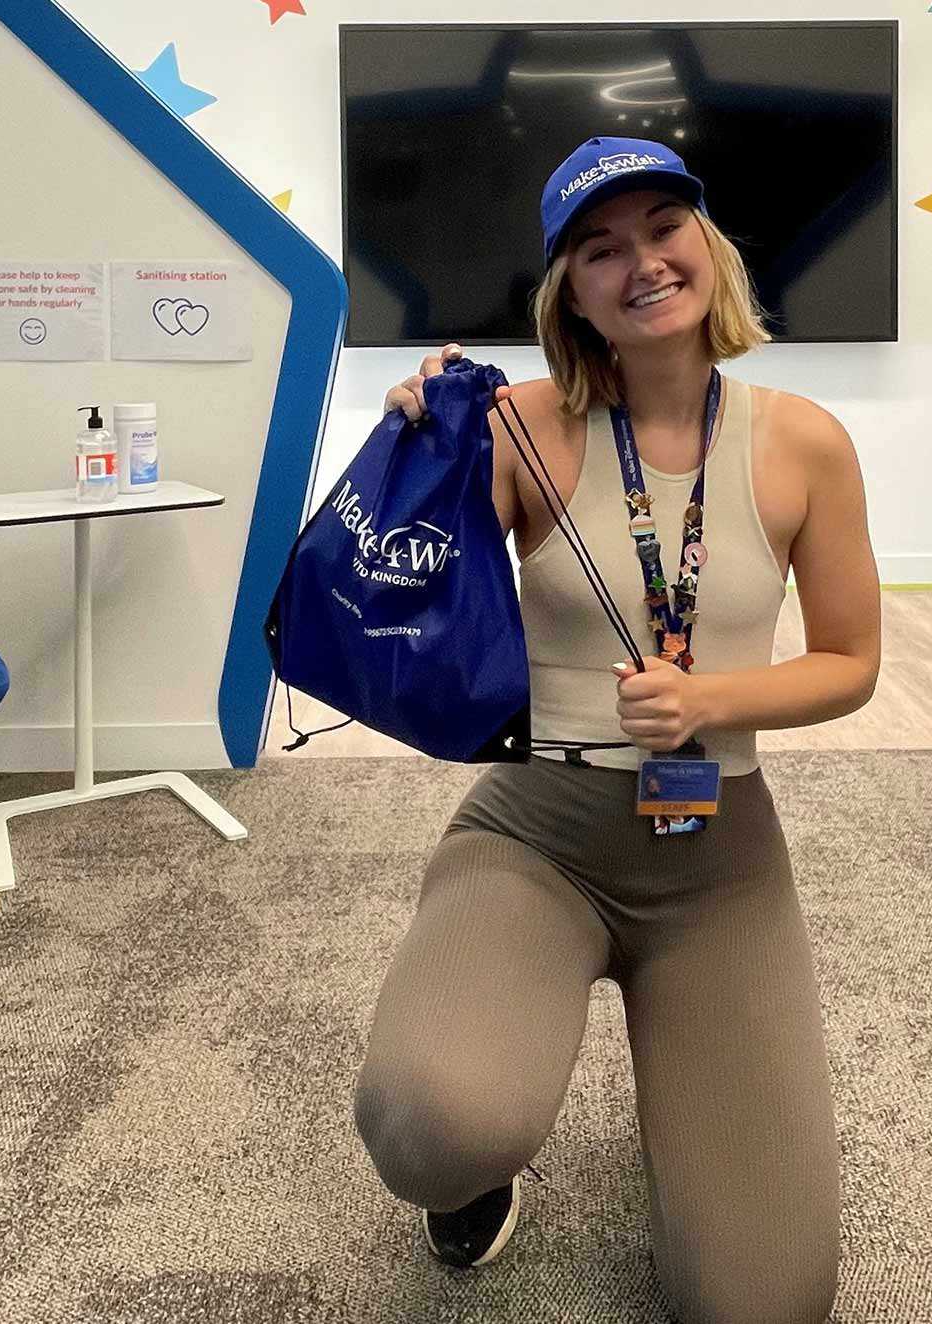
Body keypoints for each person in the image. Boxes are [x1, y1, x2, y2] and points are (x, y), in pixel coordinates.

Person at [352, 136, 881, 1324]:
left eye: (661, 228)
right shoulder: (520, 425)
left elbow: (851, 664)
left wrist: (712, 701)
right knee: (429, 1124)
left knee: (763, 1302)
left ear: (707, 246)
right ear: (569, 293)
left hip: (718, 855)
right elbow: (397, 583)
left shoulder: (802, 443)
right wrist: (414, 445)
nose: (640, 262)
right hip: (535, 830)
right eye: (600, 248)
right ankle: (475, 1179)